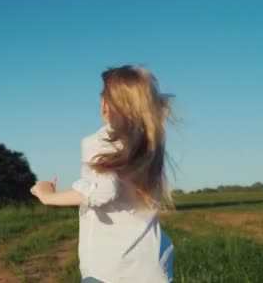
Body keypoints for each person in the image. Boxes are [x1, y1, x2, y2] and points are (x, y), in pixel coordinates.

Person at [30, 65, 175, 282]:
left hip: (110, 270)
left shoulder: (99, 142)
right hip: (153, 266)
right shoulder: (150, 144)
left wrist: (47, 196)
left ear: (105, 105)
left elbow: (102, 192)